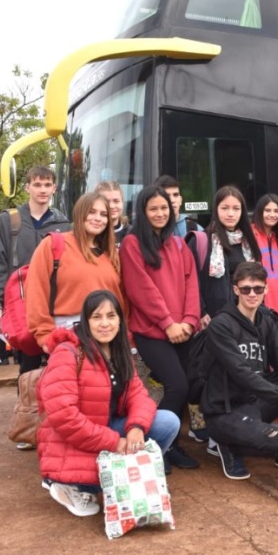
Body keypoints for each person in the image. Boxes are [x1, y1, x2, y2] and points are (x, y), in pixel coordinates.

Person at [37, 290, 180, 517]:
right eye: (97, 317)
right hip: (74, 439)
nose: (105, 323)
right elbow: (64, 417)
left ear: (120, 321)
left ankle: (124, 481)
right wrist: (115, 442)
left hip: (105, 430)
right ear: (85, 320)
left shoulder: (118, 352)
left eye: (111, 316)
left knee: (168, 422)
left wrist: (136, 427)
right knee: (91, 504)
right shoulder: (68, 353)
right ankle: (71, 486)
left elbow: (140, 396)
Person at [200, 262, 278, 480]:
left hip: (255, 401)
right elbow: (242, 374)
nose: (252, 294)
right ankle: (227, 445)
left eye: (257, 288)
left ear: (266, 289)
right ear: (236, 290)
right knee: (273, 440)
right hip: (225, 410)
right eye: (245, 289)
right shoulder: (221, 325)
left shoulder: (265, 321)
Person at [121, 186, 201, 470]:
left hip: (183, 330)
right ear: (143, 212)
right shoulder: (132, 244)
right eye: (153, 208)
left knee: (188, 385)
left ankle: (172, 445)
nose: (159, 213)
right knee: (176, 385)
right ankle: (158, 447)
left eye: (164, 208)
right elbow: (140, 290)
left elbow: (192, 284)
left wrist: (190, 321)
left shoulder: (178, 244)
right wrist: (168, 323)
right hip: (152, 332)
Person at [0, 166, 70, 375]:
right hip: (21, 303)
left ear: (54, 189)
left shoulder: (65, 224)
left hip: (54, 302)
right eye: (37, 185)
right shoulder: (9, 220)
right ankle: (26, 405)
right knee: (27, 363)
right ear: (27, 187)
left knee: (59, 361)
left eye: (47, 185)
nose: (42, 190)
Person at [26, 192, 126, 354]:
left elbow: (122, 299)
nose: (98, 218)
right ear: (80, 213)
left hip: (109, 335)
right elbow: (36, 291)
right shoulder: (53, 244)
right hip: (69, 334)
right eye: (91, 212)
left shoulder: (112, 254)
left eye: (103, 214)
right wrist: (45, 336)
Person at [189, 185, 261, 320]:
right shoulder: (202, 241)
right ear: (216, 209)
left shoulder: (248, 242)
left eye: (236, 208)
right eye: (224, 208)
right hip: (214, 318)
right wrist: (201, 313)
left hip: (247, 318)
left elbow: (258, 280)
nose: (230, 214)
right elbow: (191, 283)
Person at [251, 194, 278, 314]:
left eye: (276, 211)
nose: (272, 215)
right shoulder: (251, 234)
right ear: (259, 212)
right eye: (267, 210)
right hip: (259, 296)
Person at [96, 180, 129, 245]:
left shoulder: (133, 233)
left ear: (123, 203)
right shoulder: (91, 233)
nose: (111, 206)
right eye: (106, 201)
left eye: (116, 201)